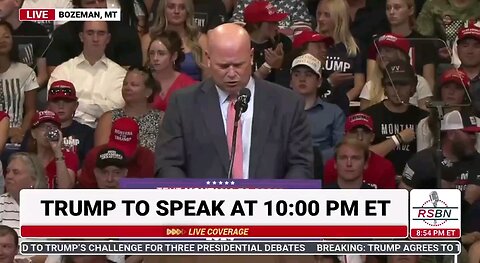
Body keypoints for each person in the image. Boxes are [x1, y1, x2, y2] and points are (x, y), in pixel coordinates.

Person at [155, 23, 313, 179]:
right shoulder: (183, 104)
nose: (231, 74)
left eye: (238, 65)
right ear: (209, 59)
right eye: (223, 66)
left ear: (251, 57)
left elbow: (300, 165)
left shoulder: (287, 104)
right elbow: (169, 164)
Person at [48, 21, 127, 128]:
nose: (95, 39)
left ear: (108, 38)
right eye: (90, 33)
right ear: (81, 37)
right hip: (67, 130)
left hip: (104, 132)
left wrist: (75, 104)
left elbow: (116, 111)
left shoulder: (120, 74)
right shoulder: (63, 70)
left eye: (101, 33)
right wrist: (100, 107)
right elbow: (55, 105)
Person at [362, 60, 429, 175]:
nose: (396, 89)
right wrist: (398, 138)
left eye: (403, 84)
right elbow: (360, 155)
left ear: (413, 86)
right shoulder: (368, 116)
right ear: (384, 87)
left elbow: (431, 159)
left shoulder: (424, 118)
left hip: (414, 183)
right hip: (378, 181)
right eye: (391, 84)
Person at [402, 110, 480, 205]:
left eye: (474, 133)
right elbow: (402, 202)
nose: (473, 138)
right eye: (469, 133)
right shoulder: (421, 162)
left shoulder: (478, 163)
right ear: (451, 134)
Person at [46, 0, 142, 72]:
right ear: (78, 6)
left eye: (101, 1)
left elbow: (131, 72)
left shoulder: (125, 32)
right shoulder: (63, 33)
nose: (98, 7)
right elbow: (54, 71)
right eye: (91, 3)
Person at [290, 53, 345, 163]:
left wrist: (313, 158)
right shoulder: (280, 111)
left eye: (308, 74)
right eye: (296, 74)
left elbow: (341, 147)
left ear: (319, 82)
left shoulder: (334, 112)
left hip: (322, 169)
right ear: (291, 82)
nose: (302, 79)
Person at [95, 67, 163, 152]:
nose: (127, 88)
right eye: (125, 84)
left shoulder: (161, 118)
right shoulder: (108, 118)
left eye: (134, 85)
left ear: (148, 92)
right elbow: (100, 154)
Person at [360, 33, 432, 110]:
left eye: (388, 51)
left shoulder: (420, 82)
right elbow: (364, 118)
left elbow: (426, 117)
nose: (382, 55)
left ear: (401, 55)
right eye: (380, 51)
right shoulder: (371, 85)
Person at [323, 113, 397, 189]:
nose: (360, 137)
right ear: (345, 136)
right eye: (354, 132)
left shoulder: (385, 167)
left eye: (365, 132)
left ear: (372, 137)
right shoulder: (332, 165)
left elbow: (389, 199)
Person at [78, 117, 154, 188]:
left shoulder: (146, 157)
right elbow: (85, 189)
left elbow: (154, 188)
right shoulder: (95, 156)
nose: (121, 156)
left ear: (138, 142)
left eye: (126, 151)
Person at [141, 0, 208, 81]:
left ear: (188, 11)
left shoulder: (201, 40)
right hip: (159, 92)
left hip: (194, 91)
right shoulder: (148, 39)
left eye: (182, 7)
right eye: (171, 7)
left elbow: (207, 80)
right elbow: (145, 78)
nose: (176, 11)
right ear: (163, 10)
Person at [417, 69, 479, 151]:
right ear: (440, 91)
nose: (451, 92)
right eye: (447, 87)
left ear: (465, 94)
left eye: (457, 88)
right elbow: (422, 159)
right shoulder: (425, 124)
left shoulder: (477, 124)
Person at [316, 0, 366, 101]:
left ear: (339, 18)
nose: (320, 19)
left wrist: (343, 102)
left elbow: (359, 85)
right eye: (319, 14)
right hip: (318, 103)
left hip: (346, 105)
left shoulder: (354, 47)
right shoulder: (313, 45)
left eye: (327, 15)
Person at [0, 21, 38, 145]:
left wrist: (21, 132)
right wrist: (6, 131)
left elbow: (31, 110)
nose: (2, 40)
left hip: (18, 136)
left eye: (6, 36)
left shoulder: (25, 71)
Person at [147, 30, 197, 111]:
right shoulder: (144, 81)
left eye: (161, 53)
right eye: (152, 53)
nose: (155, 58)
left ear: (174, 56)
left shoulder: (188, 85)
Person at [28, 110, 79, 189]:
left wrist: (57, 151)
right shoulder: (27, 160)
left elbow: (65, 188)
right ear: (33, 133)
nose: (48, 131)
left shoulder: (68, 156)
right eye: (43, 127)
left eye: (53, 127)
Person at [243, 0, 291, 82]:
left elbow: (289, 83)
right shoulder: (238, 44)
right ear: (255, 25)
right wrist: (267, 66)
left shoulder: (283, 42)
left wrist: (280, 66)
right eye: (272, 22)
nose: (277, 26)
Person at [0, 152, 48, 234]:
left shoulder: (49, 206)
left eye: (16, 172)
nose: (8, 176)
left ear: (34, 179)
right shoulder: (1, 203)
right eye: (8, 171)